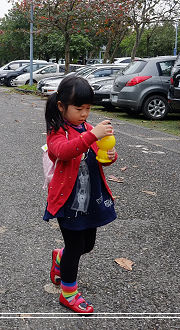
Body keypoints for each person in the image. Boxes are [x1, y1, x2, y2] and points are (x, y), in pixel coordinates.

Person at [43, 75, 117, 314]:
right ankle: (68, 293)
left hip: (89, 198)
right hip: (69, 201)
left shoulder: (86, 128)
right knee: (75, 248)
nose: (85, 114)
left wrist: (108, 157)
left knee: (88, 245)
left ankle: (59, 259)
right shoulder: (57, 132)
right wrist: (92, 135)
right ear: (61, 106)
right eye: (79, 108)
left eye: (88, 108)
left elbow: (94, 156)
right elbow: (64, 152)